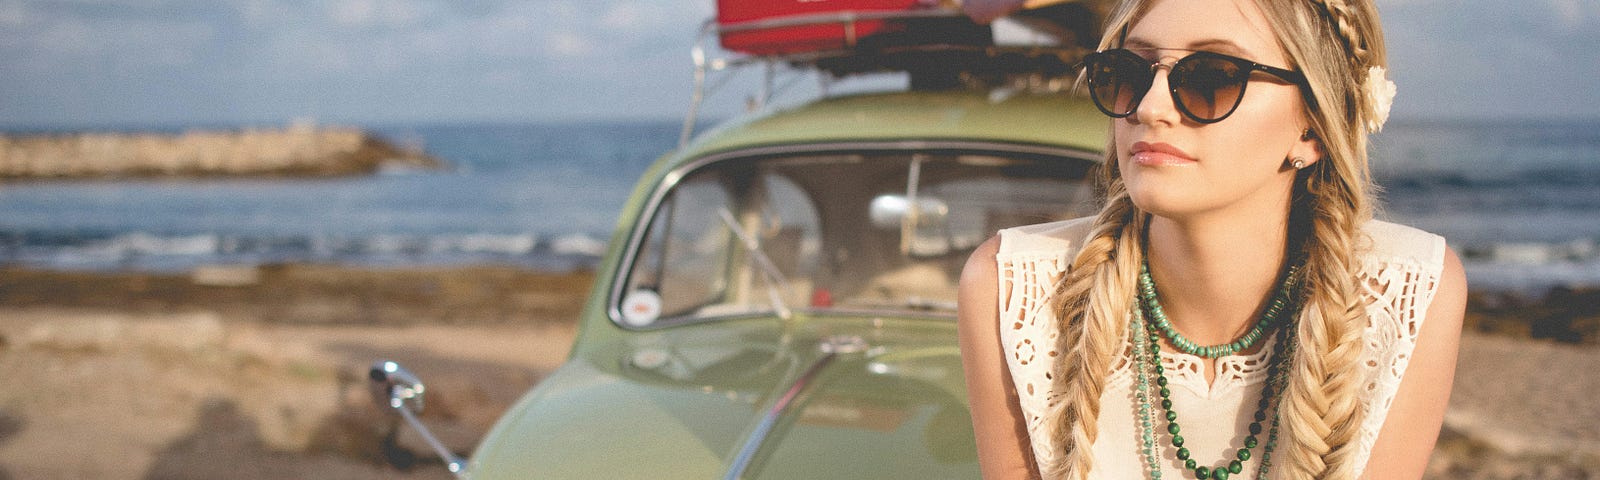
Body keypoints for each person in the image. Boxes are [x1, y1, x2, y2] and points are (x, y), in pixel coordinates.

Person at [956, 0, 1466, 479]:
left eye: (1212, 78)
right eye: (1129, 72)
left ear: (1311, 129)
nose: (1150, 108)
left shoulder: (1408, 290)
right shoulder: (1014, 288)